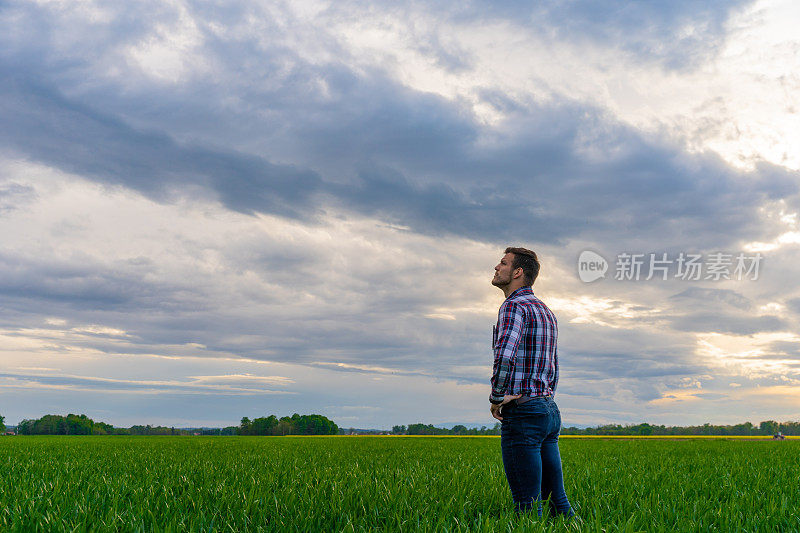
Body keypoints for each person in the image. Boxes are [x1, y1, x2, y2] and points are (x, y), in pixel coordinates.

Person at [489, 247, 574, 517]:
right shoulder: (546, 312)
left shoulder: (513, 306)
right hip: (548, 409)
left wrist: (497, 397)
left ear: (517, 272)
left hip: (525, 413)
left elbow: (504, 355)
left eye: (502, 263)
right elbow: (554, 365)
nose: (496, 267)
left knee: (528, 506)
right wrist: (543, 397)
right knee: (558, 502)